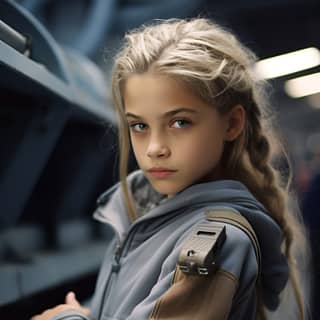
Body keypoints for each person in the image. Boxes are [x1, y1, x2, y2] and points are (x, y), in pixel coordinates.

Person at [31, 18, 309, 320]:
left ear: (231, 124)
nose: (154, 148)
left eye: (179, 122)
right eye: (139, 125)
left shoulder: (216, 241)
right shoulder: (144, 214)